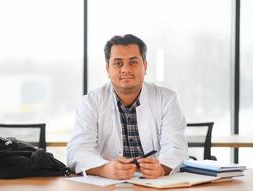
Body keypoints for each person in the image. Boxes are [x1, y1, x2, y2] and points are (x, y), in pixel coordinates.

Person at [67, 34, 187, 180]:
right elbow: (78, 151)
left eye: (133, 62)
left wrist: (161, 168)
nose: (125, 69)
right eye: (118, 63)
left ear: (145, 66)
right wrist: (105, 169)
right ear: (107, 69)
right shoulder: (91, 102)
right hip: (106, 187)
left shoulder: (166, 99)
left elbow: (176, 148)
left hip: (155, 185)